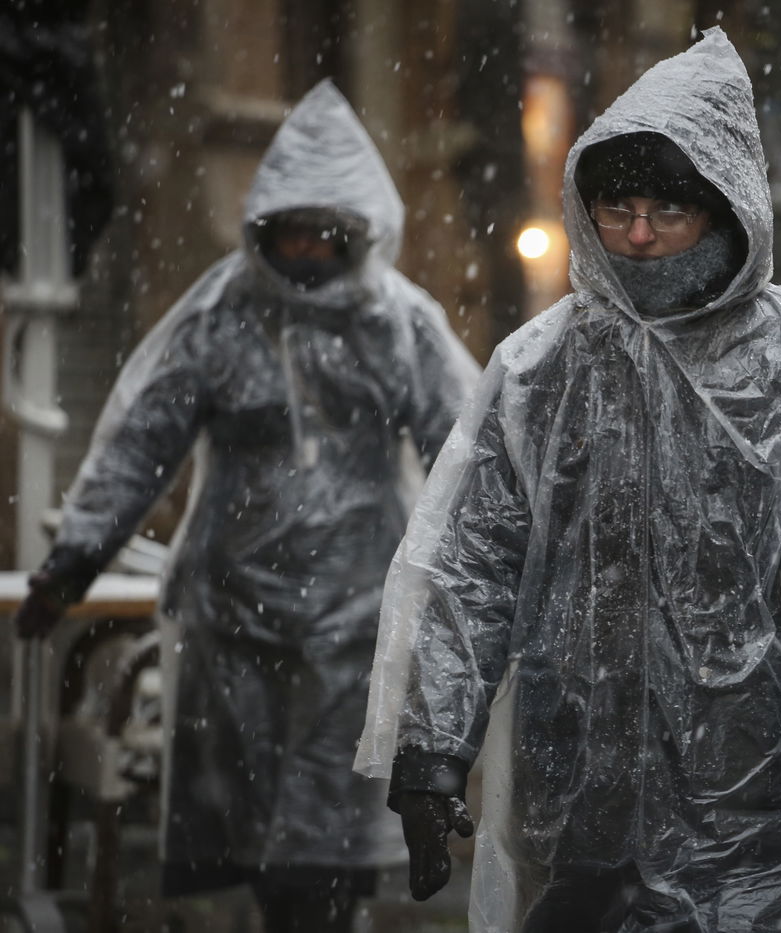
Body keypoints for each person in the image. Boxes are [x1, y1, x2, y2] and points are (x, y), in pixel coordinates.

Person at [355, 28, 781, 933]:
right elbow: (469, 565)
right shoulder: (542, 365)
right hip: (574, 787)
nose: (637, 234)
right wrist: (433, 749)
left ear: (724, 210)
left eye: (666, 212)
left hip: (751, 781)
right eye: (616, 206)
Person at [13, 79, 479, 931]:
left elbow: (469, 450)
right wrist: (73, 557)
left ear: (356, 234)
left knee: (336, 819)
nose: (302, 249)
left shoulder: (396, 323)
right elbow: (137, 444)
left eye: (321, 232)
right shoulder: (222, 315)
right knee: (255, 815)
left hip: (355, 611)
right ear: (261, 230)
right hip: (234, 614)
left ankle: (330, 914)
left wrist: (494, 577)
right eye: (287, 231)